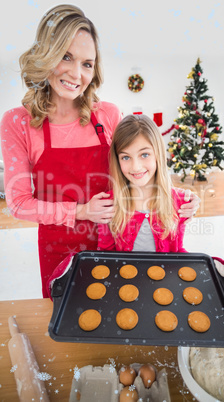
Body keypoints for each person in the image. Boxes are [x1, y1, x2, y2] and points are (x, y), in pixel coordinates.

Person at [1, 5, 199, 298]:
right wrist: (81, 211)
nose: (76, 73)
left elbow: (134, 171)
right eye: (66, 56)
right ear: (46, 53)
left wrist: (178, 196)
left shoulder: (107, 114)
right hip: (61, 251)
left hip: (120, 241)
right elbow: (18, 203)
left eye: (87, 63)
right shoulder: (18, 122)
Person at [97, 114, 190, 253]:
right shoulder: (108, 204)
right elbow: (105, 255)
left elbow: (177, 252)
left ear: (158, 154)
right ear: (117, 160)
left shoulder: (181, 202)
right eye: (126, 157)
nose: (136, 167)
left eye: (144, 155)